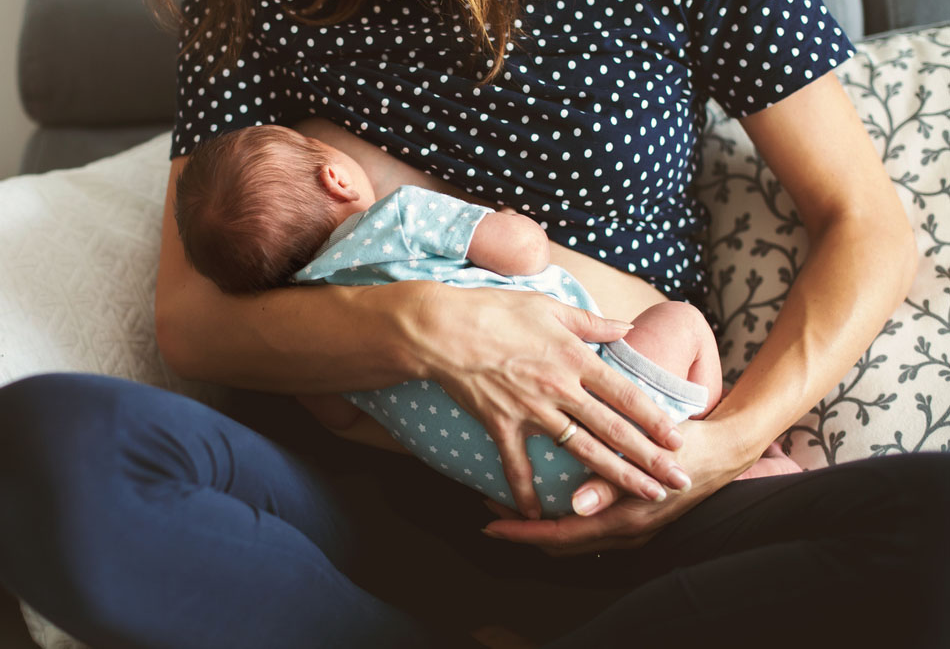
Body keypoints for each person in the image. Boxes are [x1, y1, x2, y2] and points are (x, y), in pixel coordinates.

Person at [0, 0, 950, 647]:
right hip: (372, 511)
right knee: (35, 447)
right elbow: (194, 319)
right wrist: (425, 324)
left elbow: (867, 225)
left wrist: (716, 453)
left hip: (648, 494)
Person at [173, 123, 799, 516]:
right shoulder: (399, 217)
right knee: (682, 321)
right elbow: (526, 254)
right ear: (334, 173)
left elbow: (339, 420)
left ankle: (729, 482)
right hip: (610, 398)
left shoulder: (317, 335)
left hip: (533, 491)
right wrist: (503, 218)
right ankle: (708, 430)